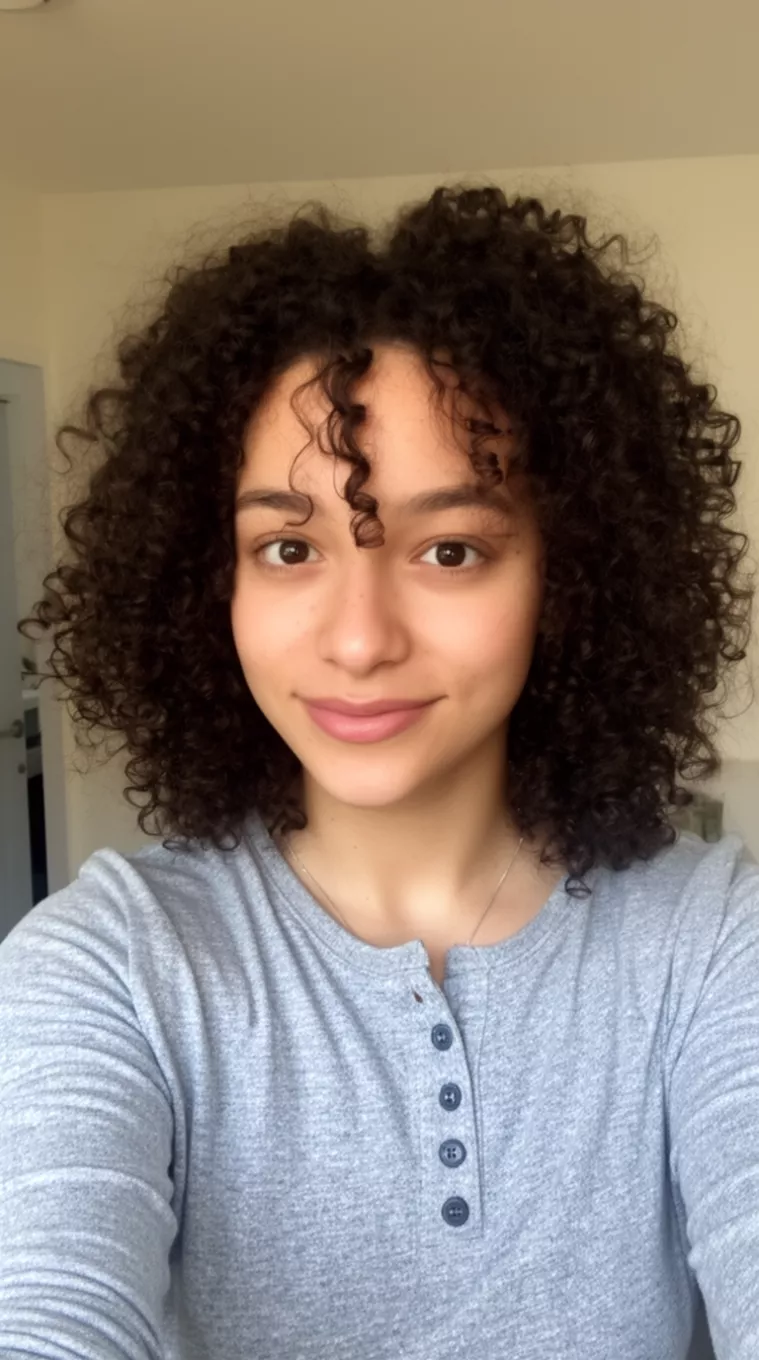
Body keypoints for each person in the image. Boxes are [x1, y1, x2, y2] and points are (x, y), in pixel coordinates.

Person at [0, 183, 757, 1360]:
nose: (359, 638)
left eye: (449, 549)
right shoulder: (113, 963)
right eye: (288, 547)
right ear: (215, 584)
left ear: (575, 574)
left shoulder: (709, 940)